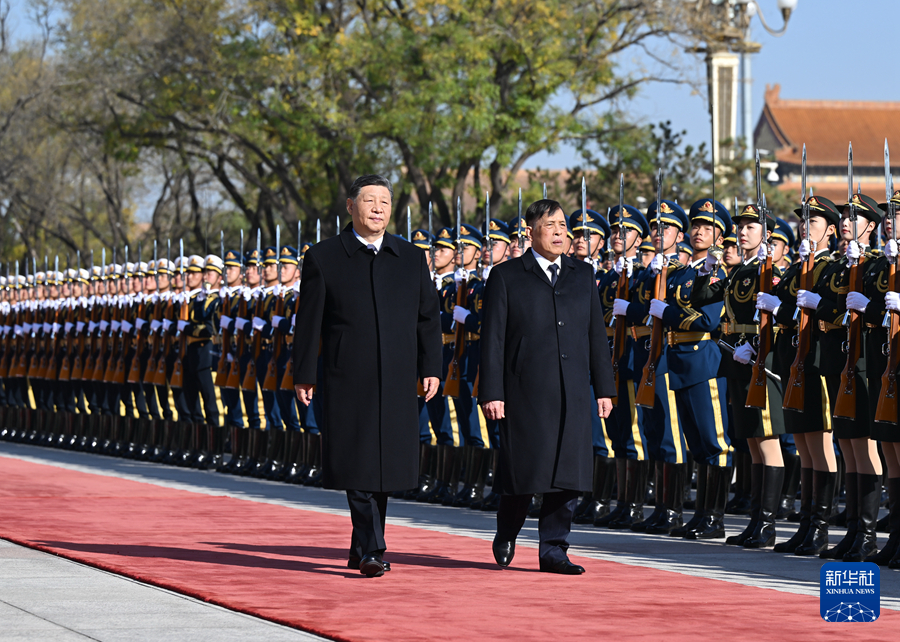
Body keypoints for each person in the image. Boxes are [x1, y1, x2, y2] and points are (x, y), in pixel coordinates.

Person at [293, 174, 442, 578]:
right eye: (369, 200)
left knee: (384, 465)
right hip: (347, 375)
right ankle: (374, 548)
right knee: (355, 459)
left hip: (397, 376)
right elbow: (309, 322)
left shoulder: (410, 257)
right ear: (350, 206)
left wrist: (431, 367)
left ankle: (362, 546)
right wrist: (304, 374)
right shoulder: (324, 256)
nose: (378, 209)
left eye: (385, 202)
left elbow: (428, 319)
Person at [480, 198, 615, 575]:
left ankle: (554, 550)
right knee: (525, 471)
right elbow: (492, 340)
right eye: (550, 225)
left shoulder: (582, 274)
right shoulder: (506, 276)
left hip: (573, 388)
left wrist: (604, 388)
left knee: (567, 473)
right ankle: (507, 530)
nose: (559, 233)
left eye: (563, 226)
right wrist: (492, 392)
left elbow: (595, 334)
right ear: (530, 232)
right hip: (525, 390)